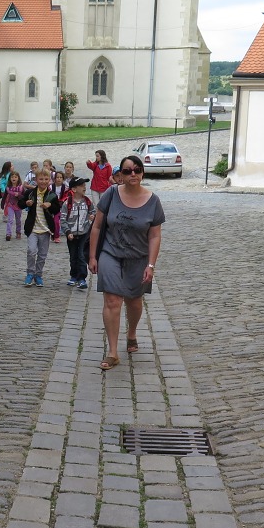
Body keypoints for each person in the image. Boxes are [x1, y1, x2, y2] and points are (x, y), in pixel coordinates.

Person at [87, 155, 164, 371]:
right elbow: (96, 226)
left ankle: (131, 333)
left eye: (137, 170)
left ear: (142, 173)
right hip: (110, 253)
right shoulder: (111, 194)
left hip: (138, 258)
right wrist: (93, 256)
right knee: (112, 300)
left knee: (134, 301)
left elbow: (154, 236)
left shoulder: (153, 201)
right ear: (120, 174)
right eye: (128, 170)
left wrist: (150, 265)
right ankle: (112, 352)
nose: (133, 174)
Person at [19, 168, 60, 287]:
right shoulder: (30, 193)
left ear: (50, 180)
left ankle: (38, 275)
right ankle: (30, 273)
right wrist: (26, 203)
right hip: (33, 228)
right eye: (41, 179)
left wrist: (50, 205)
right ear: (36, 180)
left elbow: (57, 209)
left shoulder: (51, 195)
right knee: (31, 251)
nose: (43, 181)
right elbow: (20, 203)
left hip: (46, 229)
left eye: (46, 179)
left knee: (42, 254)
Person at [61, 177, 93, 289]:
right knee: (73, 256)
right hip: (72, 234)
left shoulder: (88, 202)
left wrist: (92, 217)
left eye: (85, 185)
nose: (85, 187)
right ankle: (73, 276)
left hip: (84, 233)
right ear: (74, 189)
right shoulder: (67, 203)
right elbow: (63, 220)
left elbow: (93, 213)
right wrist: (68, 231)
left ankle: (82, 278)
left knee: (82, 256)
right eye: (82, 185)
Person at [4, 170, 25, 241]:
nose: (14, 178)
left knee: (18, 220)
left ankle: (18, 232)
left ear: (18, 178)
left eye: (15, 177)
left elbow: (24, 197)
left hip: (18, 206)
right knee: (10, 219)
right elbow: (5, 196)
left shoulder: (21, 188)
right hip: (10, 205)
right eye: (12, 177)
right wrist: (3, 203)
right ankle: (8, 233)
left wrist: (18, 195)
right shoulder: (8, 188)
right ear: (10, 178)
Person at [51, 170, 68, 243]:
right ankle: (52, 234)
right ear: (54, 178)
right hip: (52, 206)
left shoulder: (66, 187)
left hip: (61, 206)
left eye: (60, 177)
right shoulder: (51, 187)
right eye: (57, 177)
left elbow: (67, 196)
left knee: (57, 222)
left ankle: (56, 236)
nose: (59, 179)